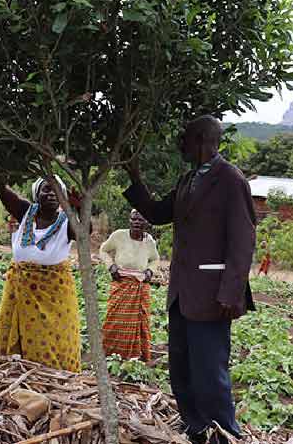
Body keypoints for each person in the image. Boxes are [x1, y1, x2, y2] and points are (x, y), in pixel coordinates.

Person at [124, 115, 256, 444]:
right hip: (182, 294)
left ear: (201, 140)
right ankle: (196, 429)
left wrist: (231, 293)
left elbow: (242, 240)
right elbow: (158, 214)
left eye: (184, 138)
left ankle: (223, 435)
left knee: (210, 372)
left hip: (213, 295)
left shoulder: (230, 179)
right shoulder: (188, 180)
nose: (179, 144)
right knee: (181, 369)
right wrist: (134, 176)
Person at [0, 177, 82, 372]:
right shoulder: (25, 212)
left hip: (54, 296)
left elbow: (84, 232)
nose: (51, 194)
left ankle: (50, 379)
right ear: (36, 194)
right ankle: (14, 376)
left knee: (52, 341)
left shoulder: (68, 222)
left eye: (57, 191)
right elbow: (4, 191)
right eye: (46, 190)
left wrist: (79, 210)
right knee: (14, 340)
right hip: (19, 289)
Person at [99, 209, 157, 362]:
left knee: (141, 322)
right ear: (129, 221)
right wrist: (111, 266)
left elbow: (155, 259)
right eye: (134, 219)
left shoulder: (149, 241)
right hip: (121, 284)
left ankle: (137, 357)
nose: (136, 222)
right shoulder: (119, 235)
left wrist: (150, 271)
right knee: (115, 320)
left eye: (140, 220)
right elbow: (103, 250)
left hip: (140, 286)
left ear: (146, 223)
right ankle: (112, 353)